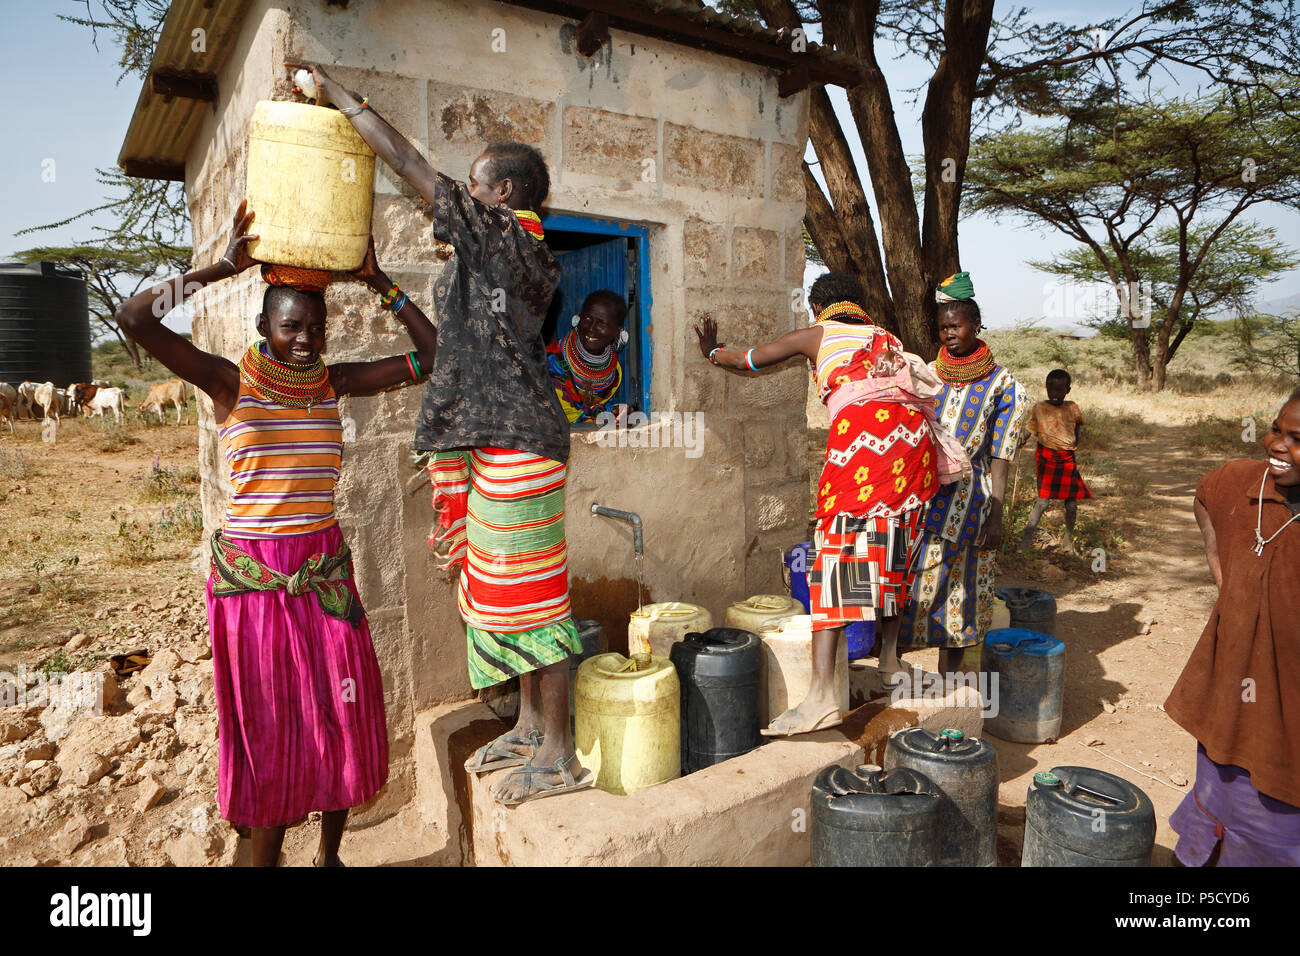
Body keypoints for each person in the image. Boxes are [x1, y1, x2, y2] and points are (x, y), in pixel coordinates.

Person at [288, 60, 592, 805]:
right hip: (495, 442)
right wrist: (382, 282)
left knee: (533, 600)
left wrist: (340, 97)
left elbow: (411, 165)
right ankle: (526, 724)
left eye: (477, 183)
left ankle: (558, 753)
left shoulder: (513, 242)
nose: (465, 192)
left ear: (504, 194)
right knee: (499, 593)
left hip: (521, 445)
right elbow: (451, 349)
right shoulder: (491, 253)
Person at [115, 201, 437, 866]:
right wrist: (219, 269)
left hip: (323, 576)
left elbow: (431, 354)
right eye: (292, 326)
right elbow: (133, 318)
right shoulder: (226, 383)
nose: (305, 340)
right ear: (263, 323)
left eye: (315, 329)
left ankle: (328, 855)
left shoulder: (331, 384)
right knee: (270, 736)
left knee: (341, 716)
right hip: (255, 584)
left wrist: (382, 283)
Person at [695, 272, 955, 735]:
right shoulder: (886, 338)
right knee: (891, 554)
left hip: (867, 457)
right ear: (857, 303)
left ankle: (819, 699)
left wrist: (713, 351)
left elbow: (750, 360)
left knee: (839, 559)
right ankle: (891, 662)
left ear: (818, 306)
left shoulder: (817, 334)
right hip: (913, 462)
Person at [1164, 390, 1300, 866]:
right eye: (1277, 430)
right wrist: (1218, 563)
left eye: (1297, 438)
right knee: (1218, 796)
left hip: (1289, 727)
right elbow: (1204, 495)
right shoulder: (1244, 482)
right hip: (1232, 697)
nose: (1278, 445)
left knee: (1276, 828)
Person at [900, 273, 1027, 674]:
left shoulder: (1004, 384)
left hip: (972, 502)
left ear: (975, 324)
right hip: (921, 498)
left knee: (962, 591)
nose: (949, 333)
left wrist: (996, 512)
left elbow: (1003, 453)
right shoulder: (929, 371)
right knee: (907, 585)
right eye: (942, 327)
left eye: (955, 325)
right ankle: (893, 673)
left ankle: (949, 683)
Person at [1019, 368, 1091, 554]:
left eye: (1060, 390)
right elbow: (1030, 428)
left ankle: (1068, 542)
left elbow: (1076, 429)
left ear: (1068, 390)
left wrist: (1074, 445)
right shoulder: (1039, 408)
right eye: (1052, 389)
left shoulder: (1073, 407)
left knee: (1072, 504)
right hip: (1047, 458)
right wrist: (1021, 438)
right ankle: (1025, 544)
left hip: (1067, 459)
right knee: (1042, 502)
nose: (1055, 394)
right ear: (1046, 388)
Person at [546, 289, 628, 424]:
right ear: (578, 319)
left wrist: (617, 412)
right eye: (587, 318)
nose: (591, 328)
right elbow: (566, 416)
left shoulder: (614, 371)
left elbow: (594, 407)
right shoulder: (551, 360)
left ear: (617, 331)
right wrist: (607, 421)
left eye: (602, 323)